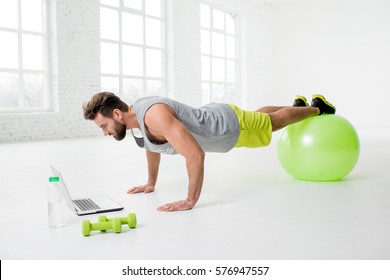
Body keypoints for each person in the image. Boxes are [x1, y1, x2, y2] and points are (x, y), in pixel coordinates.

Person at [82, 92, 335, 212]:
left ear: (116, 114)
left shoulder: (154, 115)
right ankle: (298, 106)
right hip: (218, 116)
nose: (105, 132)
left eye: (103, 126)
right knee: (259, 116)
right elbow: (151, 146)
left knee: (273, 122)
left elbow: (195, 155)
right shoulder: (137, 119)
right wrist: (150, 182)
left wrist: (190, 200)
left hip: (226, 126)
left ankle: (317, 109)